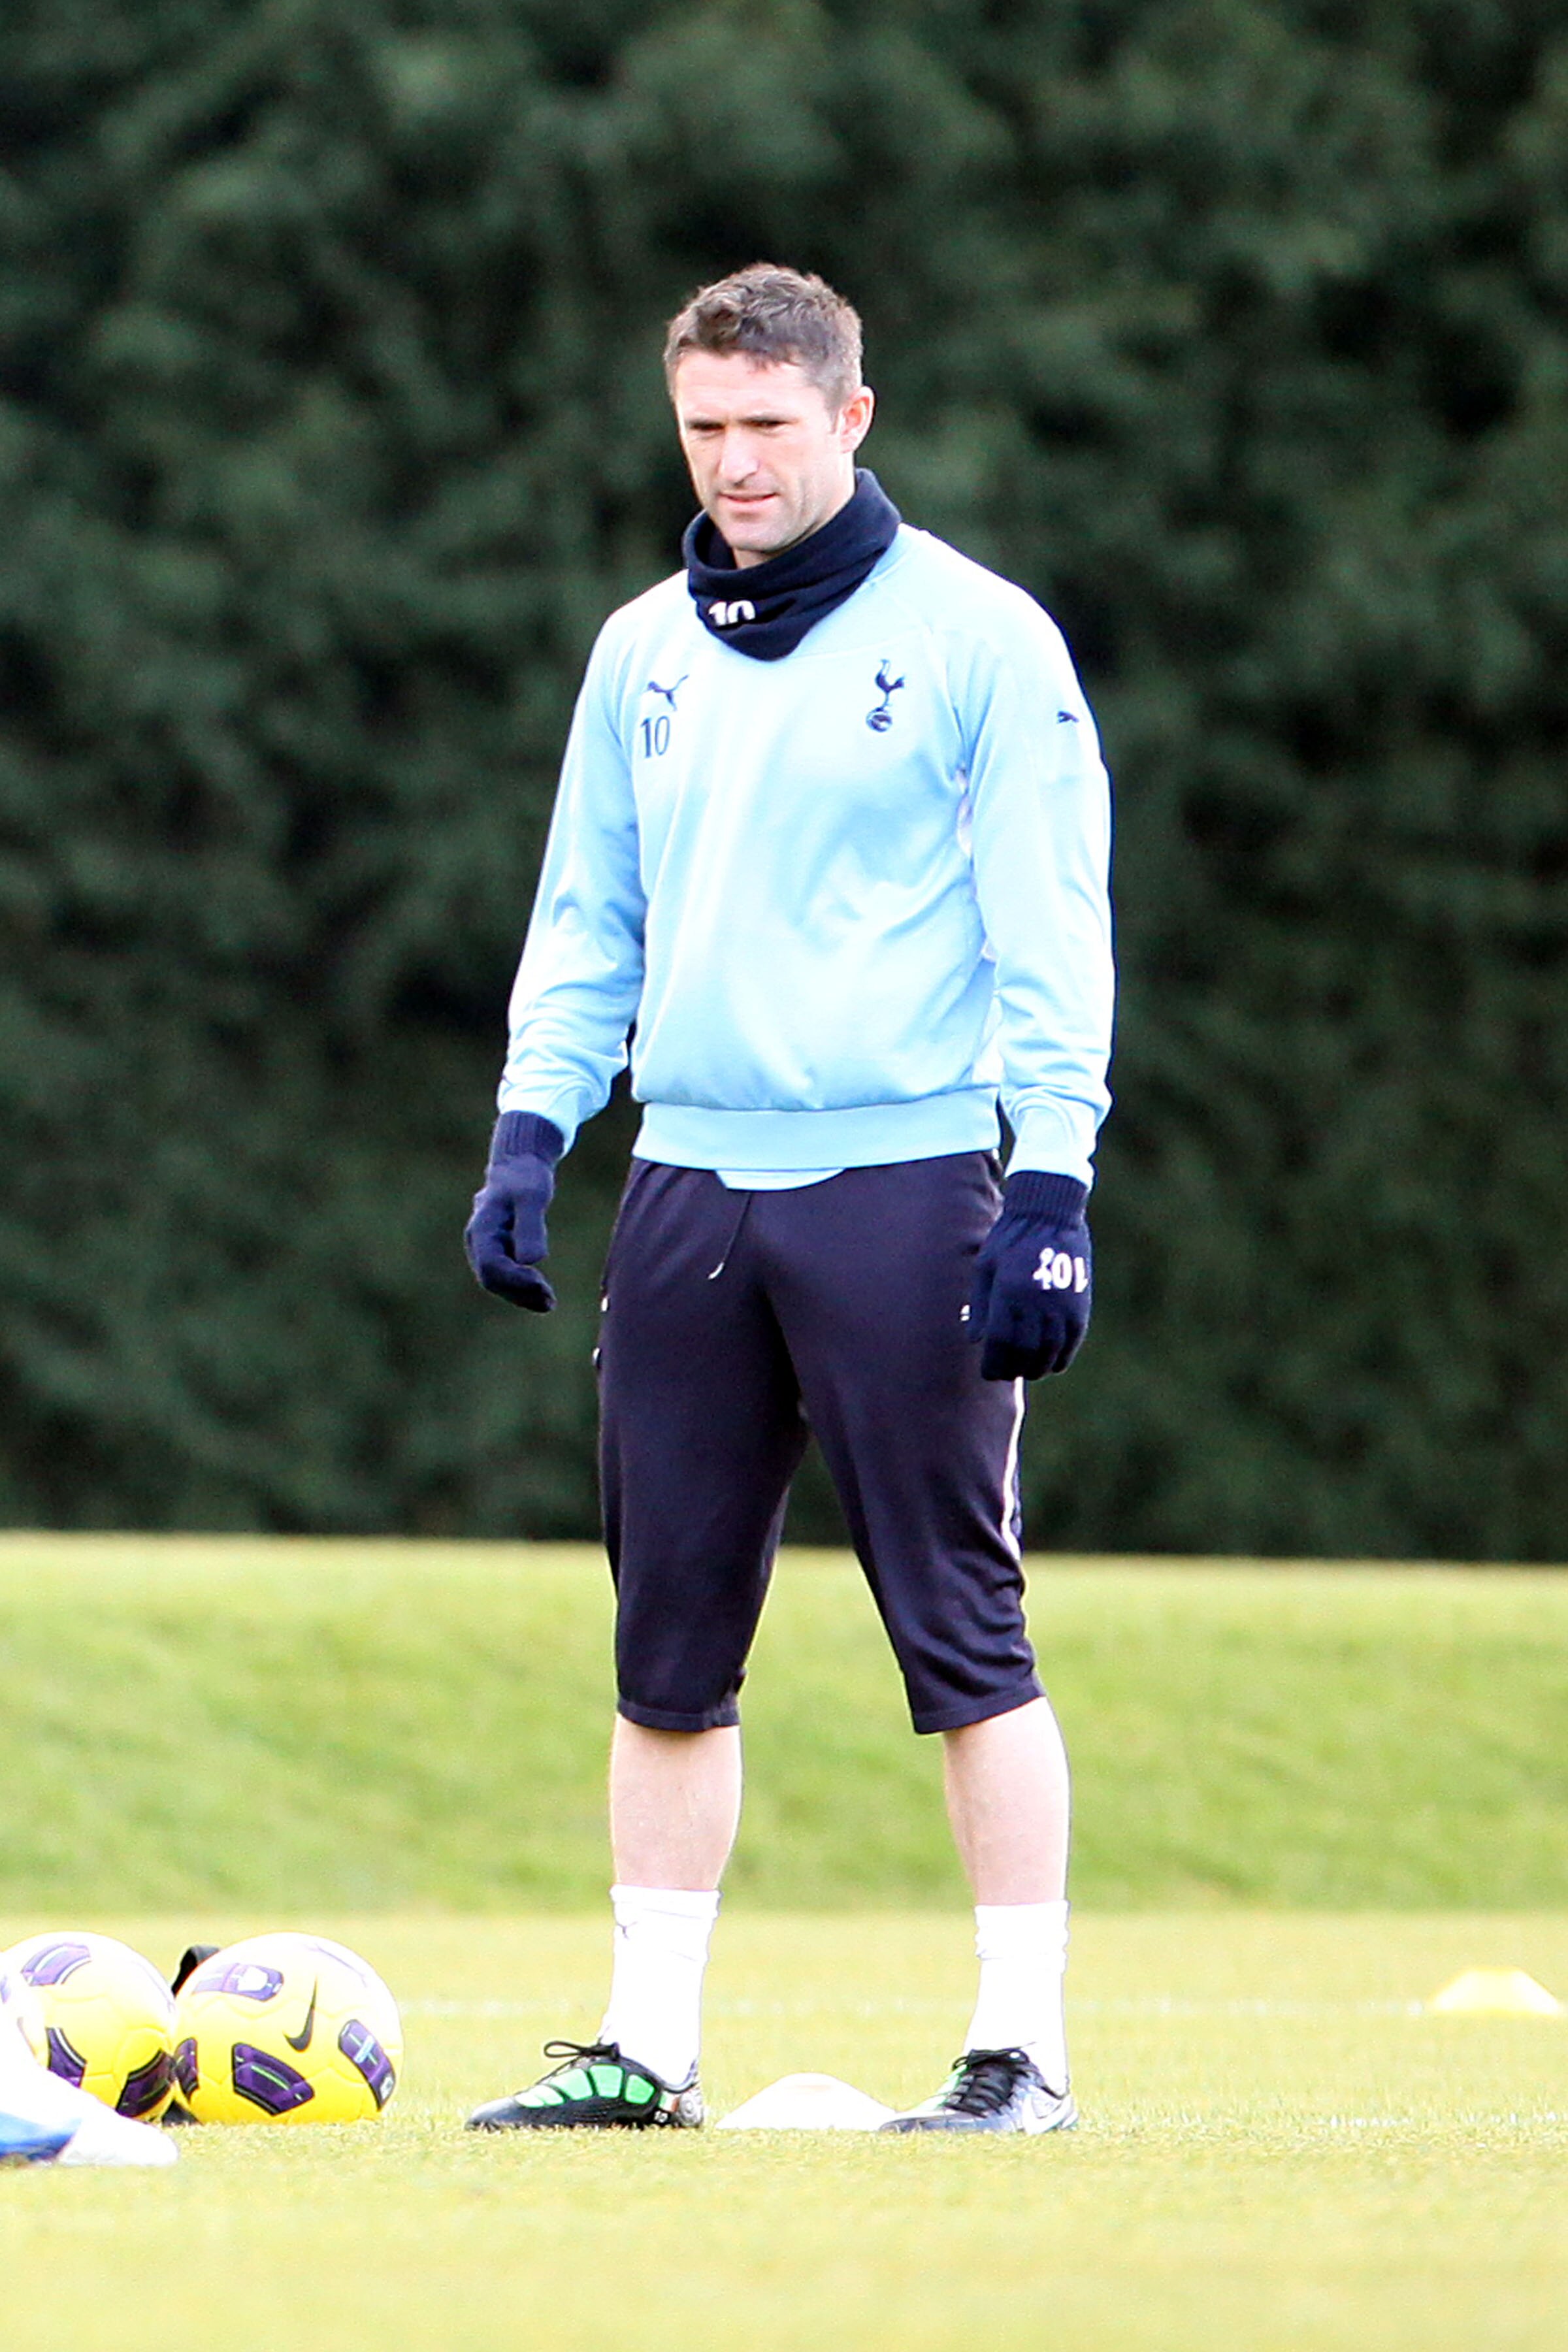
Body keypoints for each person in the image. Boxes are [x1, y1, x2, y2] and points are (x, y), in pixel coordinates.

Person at [463, 264, 1113, 2136]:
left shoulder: (982, 639)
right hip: (687, 1190)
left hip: (910, 1186)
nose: (733, 464)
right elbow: (588, 917)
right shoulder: (637, 652)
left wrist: (1051, 1178)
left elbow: (1050, 928)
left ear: (851, 417)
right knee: (667, 1645)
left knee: (962, 1632)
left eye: (767, 427)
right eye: (703, 430)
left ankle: (1020, 2053)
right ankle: (645, 2051)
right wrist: (532, 1131)